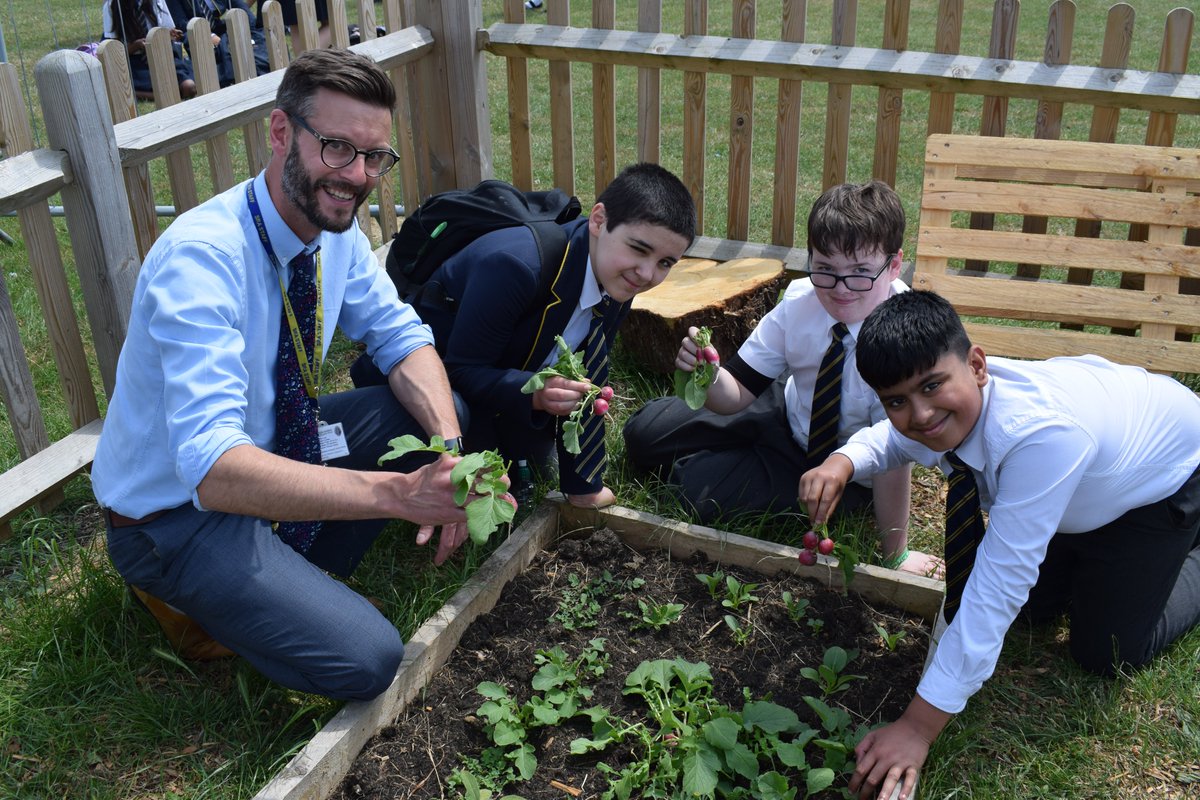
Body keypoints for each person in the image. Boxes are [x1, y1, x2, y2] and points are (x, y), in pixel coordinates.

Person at [92, 49, 503, 701]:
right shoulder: (201, 260)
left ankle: (288, 565)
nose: (358, 176)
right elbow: (213, 468)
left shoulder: (333, 226)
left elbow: (401, 338)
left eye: (375, 158)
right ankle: (178, 593)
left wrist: (449, 457)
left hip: (277, 445)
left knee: (440, 406)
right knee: (368, 658)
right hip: (178, 514)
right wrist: (396, 494)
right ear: (281, 133)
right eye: (338, 148)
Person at [800, 290, 1200, 800]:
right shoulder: (950, 405)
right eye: (897, 400)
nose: (919, 415)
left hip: (1162, 481)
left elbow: (995, 591)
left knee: (1107, 649)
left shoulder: (1041, 436)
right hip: (1084, 488)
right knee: (1033, 612)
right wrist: (844, 461)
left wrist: (919, 728)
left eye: (931, 387)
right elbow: (892, 438)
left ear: (978, 365)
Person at [623, 181, 938, 577]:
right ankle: (737, 452)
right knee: (643, 434)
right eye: (825, 269)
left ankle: (735, 465)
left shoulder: (905, 340)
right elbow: (737, 393)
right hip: (784, 408)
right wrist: (707, 374)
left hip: (837, 466)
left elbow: (893, 458)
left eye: (859, 273)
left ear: (893, 266)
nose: (840, 289)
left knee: (693, 490)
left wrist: (896, 553)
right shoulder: (801, 301)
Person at [354, 163, 696, 509]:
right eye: (639, 249)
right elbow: (457, 369)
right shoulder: (516, 265)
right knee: (480, 448)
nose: (648, 273)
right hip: (423, 389)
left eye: (666, 263)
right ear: (598, 220)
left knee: (531, 460)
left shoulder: (619, 274)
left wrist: (584, 486)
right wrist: (535, 393)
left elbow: (589, 371)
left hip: (500, 379)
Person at [102, 0, 197, 100]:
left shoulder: (157, 1)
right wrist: (136, 46)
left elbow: (166, 30)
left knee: (189, 87)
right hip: (136, 62)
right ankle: (139, 93)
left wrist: (170, 35)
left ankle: (148, 93)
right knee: (171, 89)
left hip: (160, 55)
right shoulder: (112, 5)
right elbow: (113, 50)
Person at [166, 0, 270, 87]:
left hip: (221, 30)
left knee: (257, 39)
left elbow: (243, 11)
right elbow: (181, 24)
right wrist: (210, 36)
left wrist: (248, 30)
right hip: (197, 35)